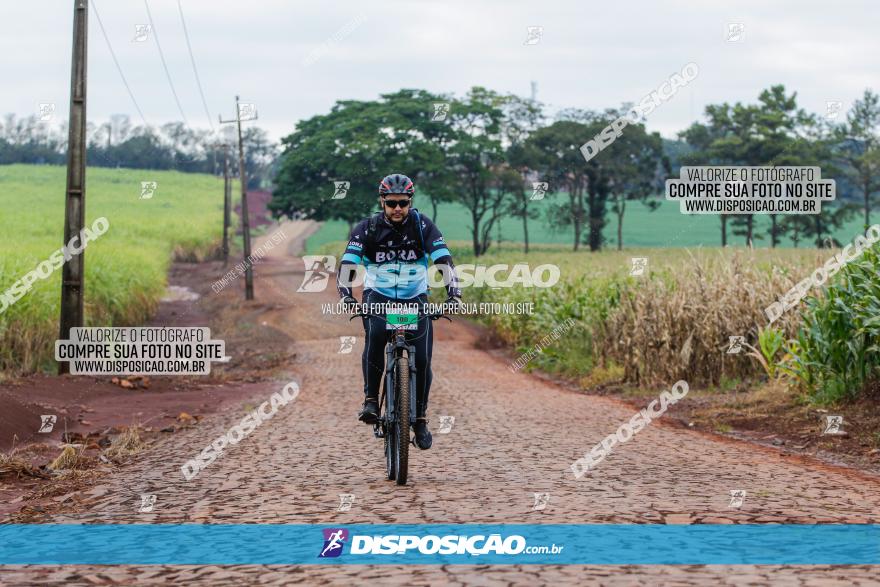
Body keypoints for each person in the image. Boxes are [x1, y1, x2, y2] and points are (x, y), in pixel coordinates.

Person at [336, 173, 462, 450]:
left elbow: (443, 260)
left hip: (414, 296)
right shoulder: (367, 228)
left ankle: (419, 419)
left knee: (424, 360)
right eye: (391, 203)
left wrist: (454, 292)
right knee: (376, 338)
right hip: (378, 295)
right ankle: (371, 400)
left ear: (410, 202)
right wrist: (346, 293)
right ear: (382, 201)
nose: (397, 209)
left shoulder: (422, 226)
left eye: (402, 203)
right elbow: (348, 264)